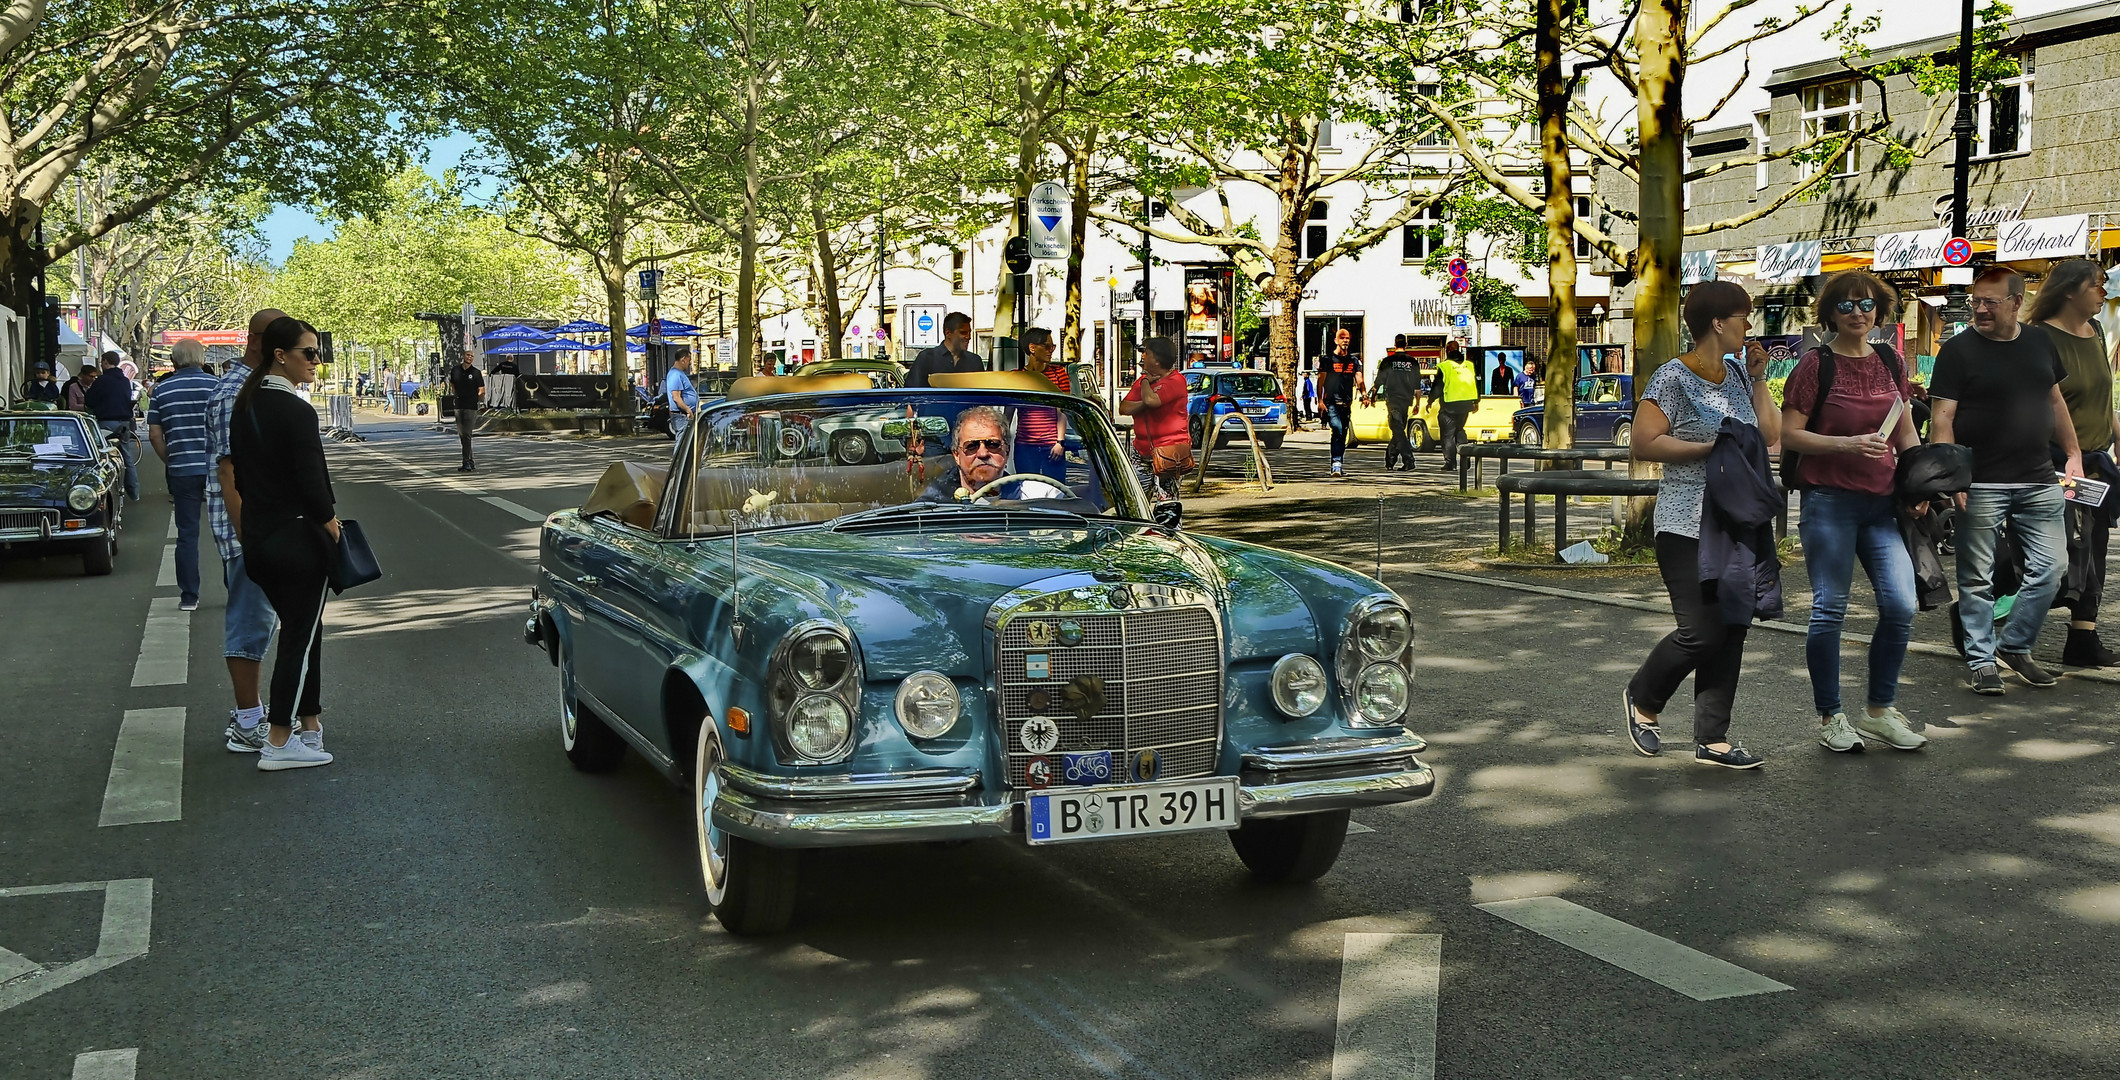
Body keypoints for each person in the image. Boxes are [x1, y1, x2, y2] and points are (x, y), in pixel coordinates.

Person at [1623, 280, 1780, 769]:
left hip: (1736, 522)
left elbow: (1770, 436)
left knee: (1732, 628)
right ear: (1717, 322)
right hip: (1685, 523)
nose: (1749, 326)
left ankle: (1713, 739)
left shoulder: (1735, 374)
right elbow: (1644, 442)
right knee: (1700, 631)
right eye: (1743, 316)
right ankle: (1642, 701)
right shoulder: (1673, 377)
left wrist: (1758, 379)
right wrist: (1707, 451)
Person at [1779, 271, 1927, 752]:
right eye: (1845, 306)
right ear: (1830, 314)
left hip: (1882, 504)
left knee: (1901, 605)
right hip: (1828, 502)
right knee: (1829, 609)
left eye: (1866, 305)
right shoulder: (1813, 365)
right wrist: (1844, 444)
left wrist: (1920, 479)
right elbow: (1791, 435)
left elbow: (1904, 430)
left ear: (1879, 312)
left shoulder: (1890, 360)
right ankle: (1831, 717)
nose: (1858, 313)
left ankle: (1879, 711)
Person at [1932, 266, 2083, 695]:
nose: (1979, 308)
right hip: (1980, 482)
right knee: (1977, 577)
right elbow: (1942, 416)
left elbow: (2055, 401)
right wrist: (1953, 474)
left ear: (2017, 302)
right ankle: (1981, 661)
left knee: (2052, 569)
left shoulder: (2039, 342)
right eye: (1976, 300)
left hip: (2037, 479)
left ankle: (2015, 645)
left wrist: (2073, 455)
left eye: (1990, 302)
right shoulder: (1958, 352)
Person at [229, 316, 337, 771]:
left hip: (258, 538)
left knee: (304, 632)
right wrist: (331, 525)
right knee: (298, 636)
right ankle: (278, 739)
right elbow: (314, 485)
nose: (317, 361)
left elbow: (238, 474)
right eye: (309, 353)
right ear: (281, 355)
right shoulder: (296, 411)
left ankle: (308, 727)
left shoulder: (245, 405)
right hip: (298, 539)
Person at [2027, 258, 2120, 667]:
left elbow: (2102, 399)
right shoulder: (2037, 338)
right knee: (2060, 556)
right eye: (2097, 285)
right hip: (2053, 464)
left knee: (2093, 548)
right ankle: (1989, 612)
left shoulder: (2096, 331)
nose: (2104, 292)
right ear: (2069, 290)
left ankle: (2083, 638)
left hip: (2096, 465)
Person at [211, 309, 285, 755]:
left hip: (261, 525)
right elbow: (229, 471)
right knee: (250, 622)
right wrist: (248, 535)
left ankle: (251, 714)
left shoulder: (255, 388)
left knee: (261, 620)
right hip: (248, 529)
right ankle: (247, 720)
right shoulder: (236, 392)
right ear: (257, 342)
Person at [146, 339, 220, 612]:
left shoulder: (161, 391)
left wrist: (171, 459)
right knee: (230, 530)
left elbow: (155, 435)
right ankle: (236, 590)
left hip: (181, 470)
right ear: (202, 360)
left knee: (187, 534)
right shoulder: (216, 387)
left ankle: (189, 595)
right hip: (217, 467)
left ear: (173, 362)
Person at [921, 407, 1070, 502]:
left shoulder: (1037, 496)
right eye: (971, 446)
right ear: (956, 455)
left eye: (993, 444)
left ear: (1007, 452)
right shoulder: (934, 503)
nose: (983, 453)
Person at [1119, 337, 1192, 496]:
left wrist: (1145, 385)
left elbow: (1151, 400)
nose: (1143, 356)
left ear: (1157, 360)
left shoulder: (1176, 380)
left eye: (1147, 353)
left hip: (1169, 451)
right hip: (1142, 451)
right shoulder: (1143, 381)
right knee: (1136, 499)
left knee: (1167, 503)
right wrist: (1143, 401)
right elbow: (1124, 408)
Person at [1016, 328, 1072, 481]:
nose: (1051, 351)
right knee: (1026, 488)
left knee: (1055, 489)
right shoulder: (1018, 376)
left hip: (1051, 443)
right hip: (1025, 445)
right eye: (1047, 347)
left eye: (1052, 347)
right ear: (1032, 348)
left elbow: (1062, 409)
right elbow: (1009, 412)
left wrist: (1060, 441)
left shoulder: (1059, 373)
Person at [83, 352, 138, 501]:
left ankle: (109, 492)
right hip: (125, 422)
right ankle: (134, 492)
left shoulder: (102, 380)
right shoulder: (125, 380)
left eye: (102, 361)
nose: (100, 364)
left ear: (106, 362)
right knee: (126, 455)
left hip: (107, 421)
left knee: (105, 457)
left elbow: (90, 400)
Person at [1373, 334, 1423, 471]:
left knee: (1398, 430)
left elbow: (1378, 382)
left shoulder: (1387, 361)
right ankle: (1390, 461)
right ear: (1406, 345)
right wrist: (1418, 403)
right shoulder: (1413, 362)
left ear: (1395, 344)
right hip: (1406, 400)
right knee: (1398, 429)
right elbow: (1417, 386)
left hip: (1392, 400)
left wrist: (1372, 397)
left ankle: (1408, 460)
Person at [1318, 328, 1363, 477]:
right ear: (1336, 341)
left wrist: (1364, 394)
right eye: (1342, 338)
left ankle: (1338, 464)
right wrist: (1319, 400)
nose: (1345, 340)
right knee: (1337, 430)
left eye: (1348, 338)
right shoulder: (1327, 360)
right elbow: (1321, 381)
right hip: (1331, 403)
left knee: (1342, 434)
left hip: (1346, 404)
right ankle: (1336, 464)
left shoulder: (1353, 361)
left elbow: (1359, 379)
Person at [1428, 341, 1478, 473]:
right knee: (1460, 430)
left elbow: (1438, 386)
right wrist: (1476, 401)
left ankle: (1450, 463)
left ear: (1448, 350)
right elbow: (1475, 383)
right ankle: (1465, 458)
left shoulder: (1445, 366)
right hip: (1466, 405)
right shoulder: (1468, 365)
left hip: (1449, 406)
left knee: (1448, 435)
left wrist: (1430, 400)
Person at [906, 312, 985, 387]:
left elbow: (982, 395)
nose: (969, 337)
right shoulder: (927, 358)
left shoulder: (975, 361)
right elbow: (911, 393)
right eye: (963, 333)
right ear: (948, 333)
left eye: (969, 333)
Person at [448, 352, 485, 471]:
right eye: (468, 355)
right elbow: (452, 385)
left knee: (467, 434)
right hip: (459, 406)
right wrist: (456, 396)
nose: (469, 357)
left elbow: (481, 390)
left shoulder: (476, 372)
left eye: (472, 356)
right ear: (463, 356)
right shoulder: (455, 370)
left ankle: (466, 462)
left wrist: (478, 401)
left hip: (471, 407)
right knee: (462, 434)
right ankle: (471, 460)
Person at [664, 348, 699, 443]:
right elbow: (676, 397)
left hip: (682, 414)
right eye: (688, 360)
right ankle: (678, 458)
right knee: (682, 443)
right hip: (682, 415)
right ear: (683, 359)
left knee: (685, 443)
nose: (689, 363)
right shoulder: (675, 375)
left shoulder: (679, 374)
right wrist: (688, 410)